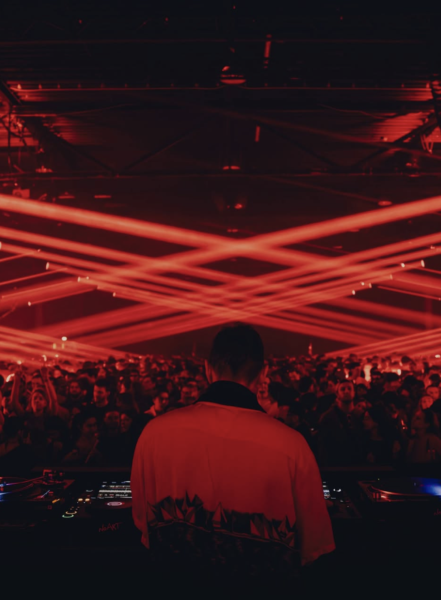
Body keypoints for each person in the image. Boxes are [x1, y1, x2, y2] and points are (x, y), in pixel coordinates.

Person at [131, 324, 335, 586]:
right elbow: (314, 548)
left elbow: (143, 527)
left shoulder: (153, 434)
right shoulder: (292, 447)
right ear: (263, 373)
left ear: (207, 369)